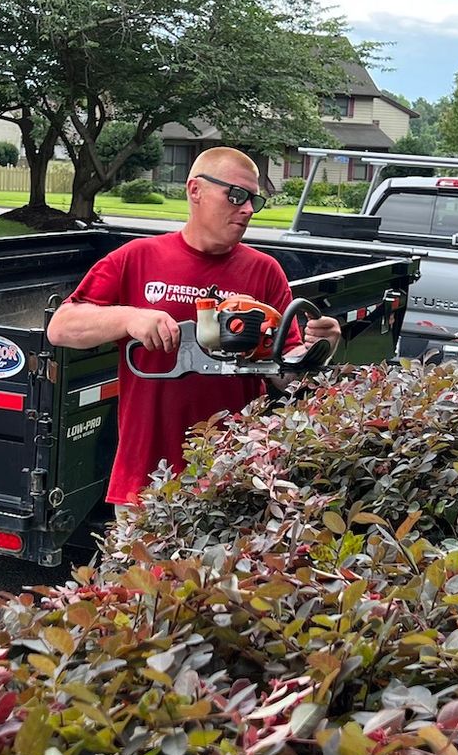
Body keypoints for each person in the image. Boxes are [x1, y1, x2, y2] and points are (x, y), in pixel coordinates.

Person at [47, 146, 341, 508]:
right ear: (195, 190)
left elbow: (284, 376)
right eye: (236, 195)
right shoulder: (137, 258)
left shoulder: (265, 271)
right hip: (148, 480)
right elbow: (61, 327)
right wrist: (130, 318)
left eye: (254, 200)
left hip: (235, 478)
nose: (247, 208)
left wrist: (317, 351)